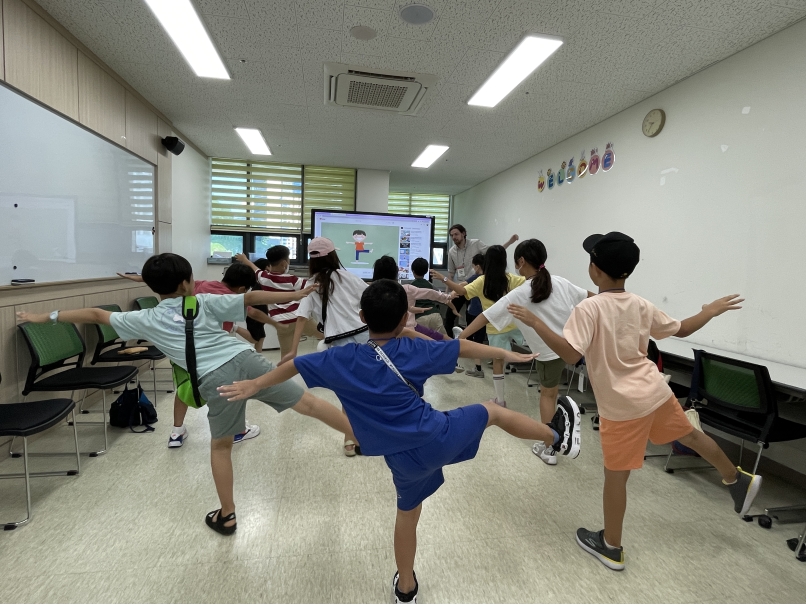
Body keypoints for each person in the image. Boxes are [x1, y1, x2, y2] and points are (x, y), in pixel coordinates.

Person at [217, 279, 582, 603]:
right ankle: (556, 435)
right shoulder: (413, 351)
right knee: (494, 412)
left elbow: (293, 366)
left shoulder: (341, 358)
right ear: (404, 317)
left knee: (407, 515)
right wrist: (505, 353)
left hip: (400, 458)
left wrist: (253, 385)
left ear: (361, 314)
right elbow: (463, 349)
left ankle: (405, 587)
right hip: (436, 435)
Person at [23, 253, 357, 535]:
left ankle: (227, 515)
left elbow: (95, 315)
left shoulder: (145, 318)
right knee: (309, 403)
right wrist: (297, 296)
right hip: (246, 360)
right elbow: (251, 299)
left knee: (222, 447)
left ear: (153, 287)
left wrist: (44, 316)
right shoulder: (204, 302)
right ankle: (361, 435)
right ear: (188, 282)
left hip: (215, 380)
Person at [507, 231, 761, 571]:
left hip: (621, 407)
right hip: (655, 392)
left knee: (616, 477)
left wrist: (536, 321)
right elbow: (682, 329)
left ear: (594, 270)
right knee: (691, 435)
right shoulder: (640, 303)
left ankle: (611, 546)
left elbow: (569, 354)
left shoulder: (589, 308)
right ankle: (735, 478)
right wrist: (710, 311)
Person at [464, 239, 594, 465]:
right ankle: (551, 441)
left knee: (548, 395)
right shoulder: (560, 282)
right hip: (571, 346)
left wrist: (460, 337)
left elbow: (485, 317)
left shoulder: (520, 293)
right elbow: (592, 297)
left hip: (548, 353)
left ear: (521, 261)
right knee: (550, 393)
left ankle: (549, 447)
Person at [119, 263, 273, 447]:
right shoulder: (231, 297)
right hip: (210, 350)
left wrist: (143, 278)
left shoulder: (203, 284)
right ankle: (237, 431)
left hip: (180, 345)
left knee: (184, 386)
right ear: (242, 288)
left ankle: (177, 432)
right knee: (229, 387)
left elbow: (169, 280)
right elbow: (253, 311)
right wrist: (276, 324)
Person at [432, 245, 526, 407]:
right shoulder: (513, 279)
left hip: (494, 329)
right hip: (516, 325)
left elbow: (461, 291)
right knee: (533, 349)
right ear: (504, 261)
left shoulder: (482, 281)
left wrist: (444, 278)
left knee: (498, 363)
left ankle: (500, 400)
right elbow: (532, 283)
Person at [235, 247, 321, 359]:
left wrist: (244, 259)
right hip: (300, 318)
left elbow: (254, 268)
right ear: (285, 263)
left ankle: (284, 374)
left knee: (286, 355)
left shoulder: (263, 278)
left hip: (282, 323)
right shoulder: (292, 280)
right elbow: (314, 285)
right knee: (327, 336)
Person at [443, 225, 519, 335]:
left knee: (473, 316)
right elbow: (451, 273)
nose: (454, 237)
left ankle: (472, 341)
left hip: (476, 285)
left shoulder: (476, 244)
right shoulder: (452, 252)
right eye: (451, 235)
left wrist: (510, 242)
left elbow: (495, 253)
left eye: (456, 234)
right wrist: (446, 294)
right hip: (461, 286)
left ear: (463, 233)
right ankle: (449, 341)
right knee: (450, 315)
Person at [372, 256, 458, 340]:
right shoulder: (405, 289)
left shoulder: (371, 293)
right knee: (439, 340)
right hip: (408, 330)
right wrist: (449, 296)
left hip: (386, 334)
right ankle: (456, 342)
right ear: (396, 272)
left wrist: (414, 309)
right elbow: (431, 293)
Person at [457, 253, 486, 377]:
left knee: (474, 341)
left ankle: (478, 369)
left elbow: (461, 286)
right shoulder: (490, 277)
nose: (474, 268)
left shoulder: (476, 278)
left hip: (475, 312)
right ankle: (478, 366)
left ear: (478, 266)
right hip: (486, 313)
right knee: (479, 340)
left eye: (474, 266)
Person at [409, 257, 451, 337]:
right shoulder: (430, 285)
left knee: (423, 342)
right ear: (426, 271)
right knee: (443, 340)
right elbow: (441, 297)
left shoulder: (410, 287)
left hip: (419, 318)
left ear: (413, 271)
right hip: (435, 315)